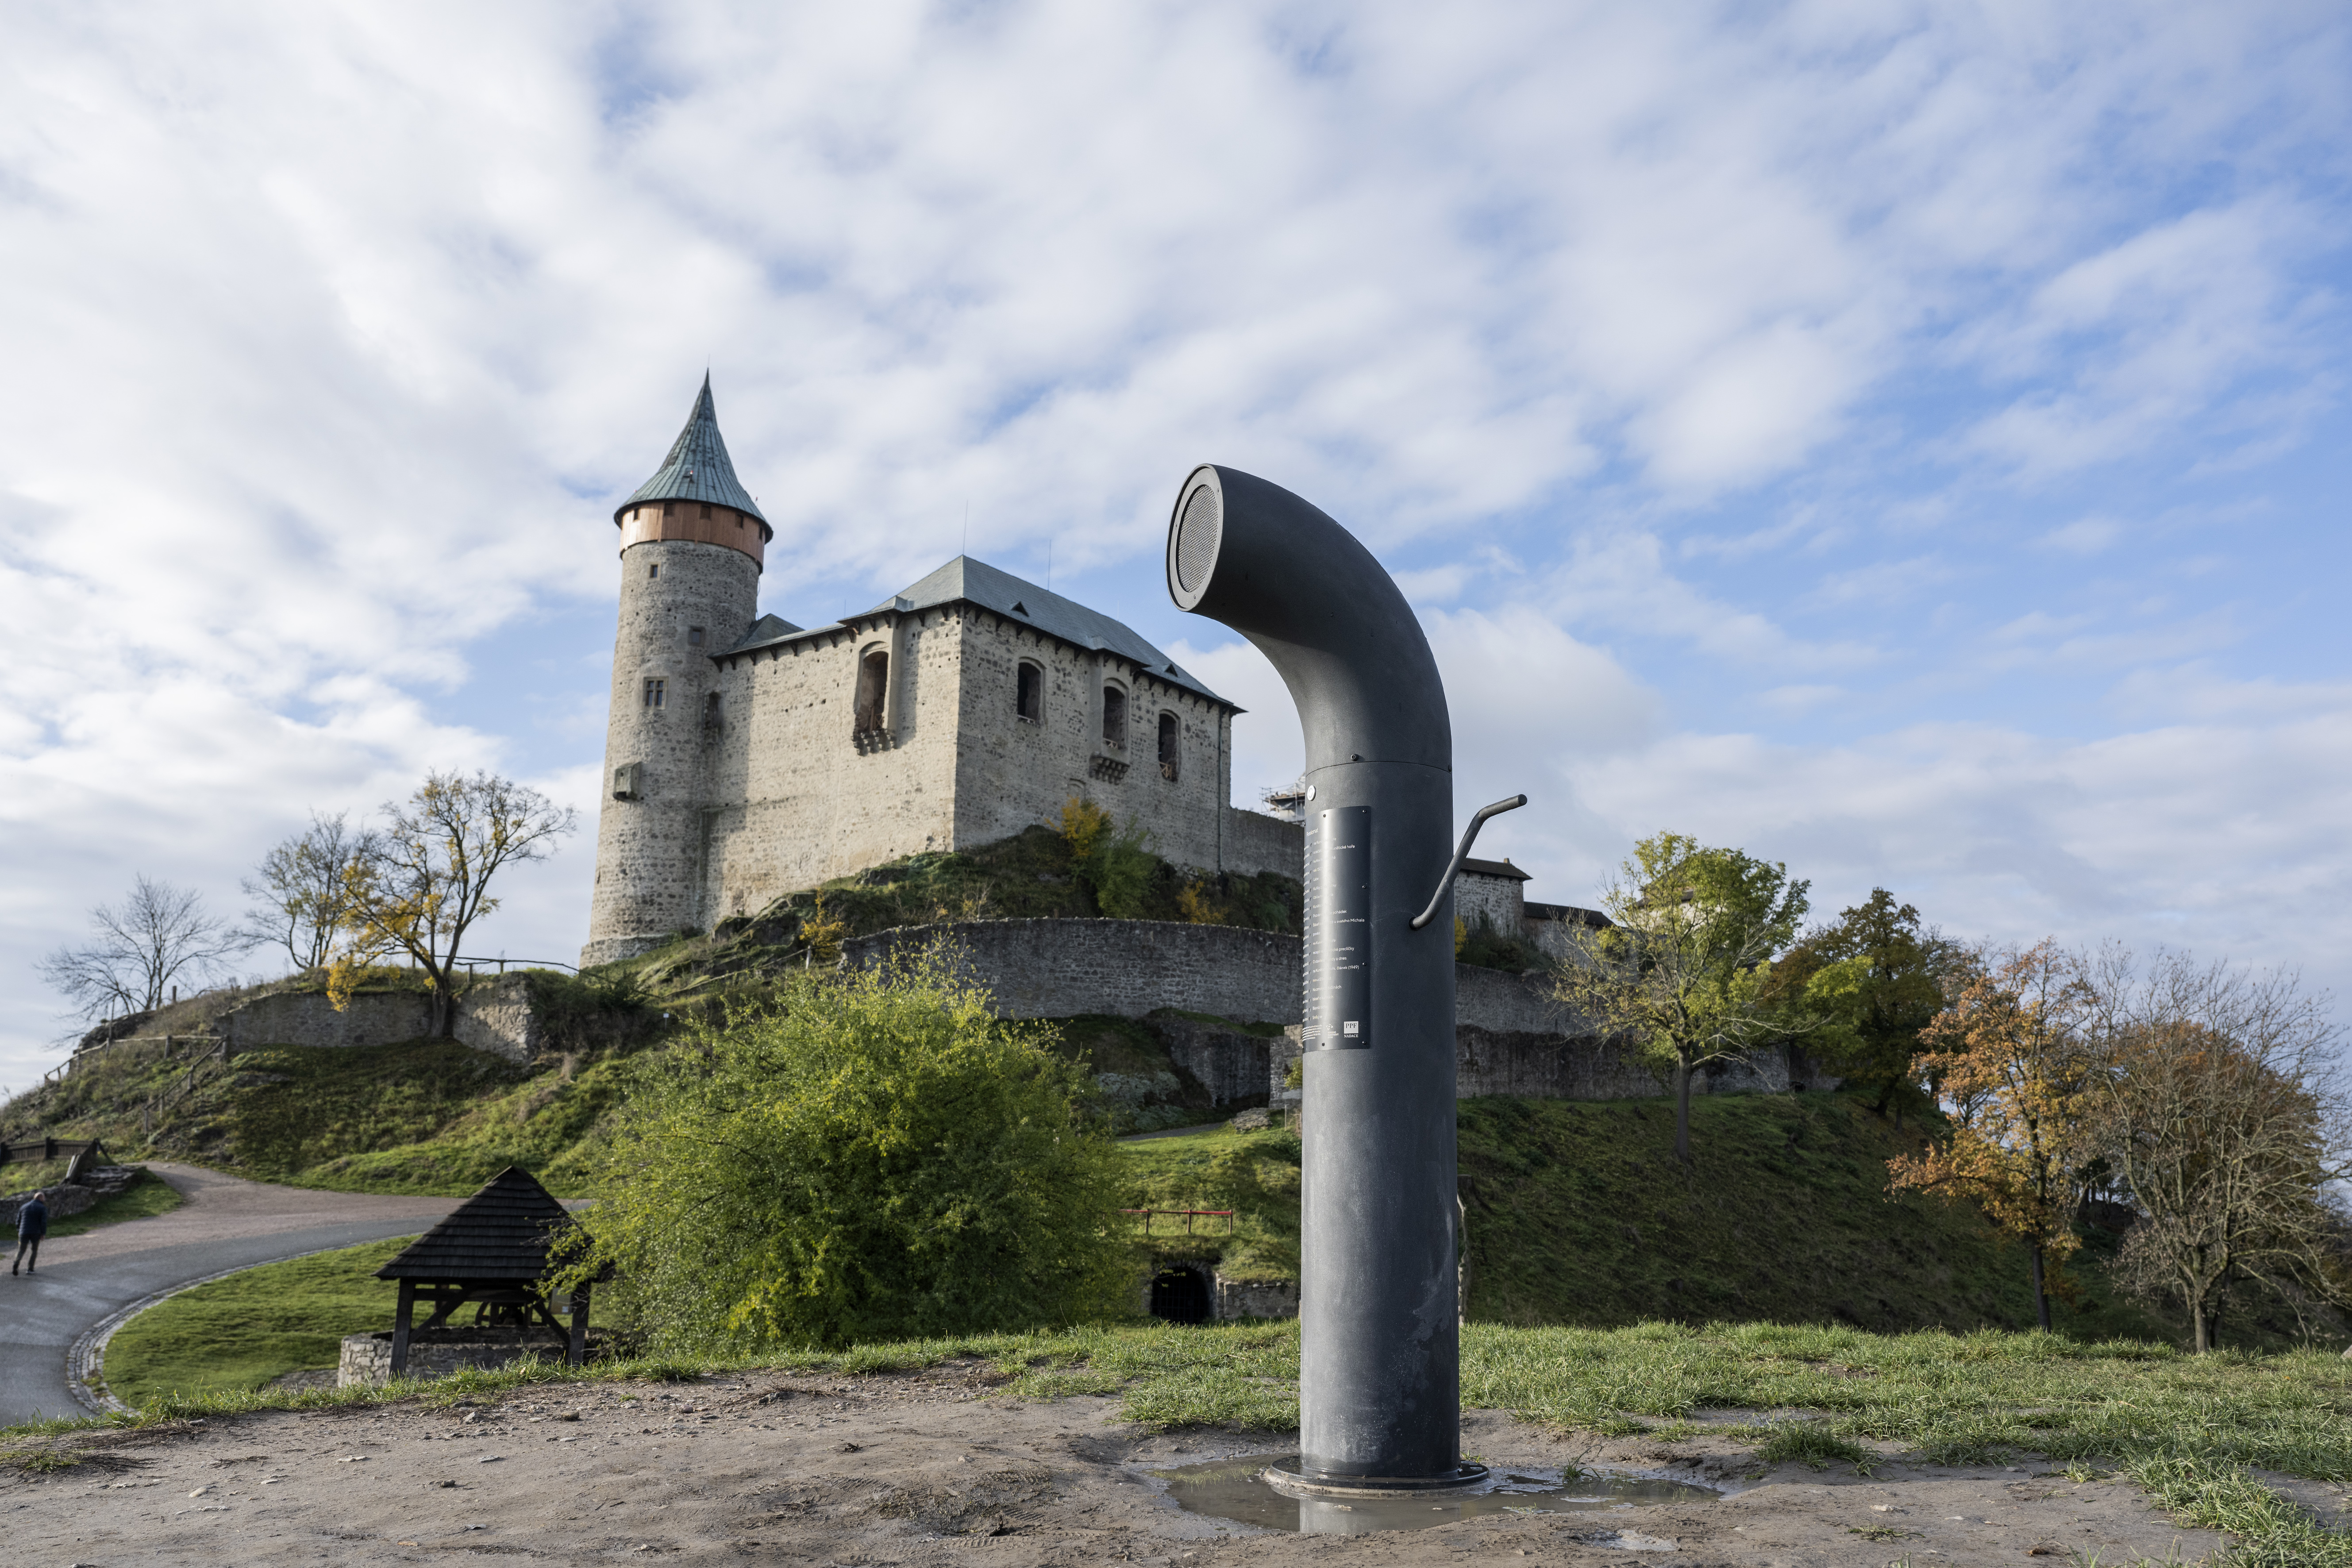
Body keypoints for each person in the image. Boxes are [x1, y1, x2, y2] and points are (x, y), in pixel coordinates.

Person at [14, 1190, 48, 1275]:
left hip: (23, 1231)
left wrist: (19, 1230)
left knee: (21, 1250)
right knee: (34, 1250)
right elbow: (43, 1222)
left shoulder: (24, 1207)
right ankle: (30, 1269)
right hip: (35, 1232)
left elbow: (18, 1220)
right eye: (44, 1198)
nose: (45, 1200)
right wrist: (43, 1234)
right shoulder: (42, 1208)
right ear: (40, 1198)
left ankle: (16, 1263)